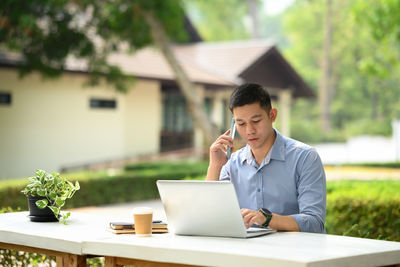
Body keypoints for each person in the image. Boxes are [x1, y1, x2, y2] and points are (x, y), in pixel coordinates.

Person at [206, 83, 326, 233]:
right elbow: (209, 217)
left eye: (256, 121)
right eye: (241, 124)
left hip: (294, 252)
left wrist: (267, 219)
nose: (249, 131)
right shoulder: (232, 163)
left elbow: (315, 222)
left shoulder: (305, 158)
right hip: (247, 252)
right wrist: (215, 166)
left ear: (272, 115)